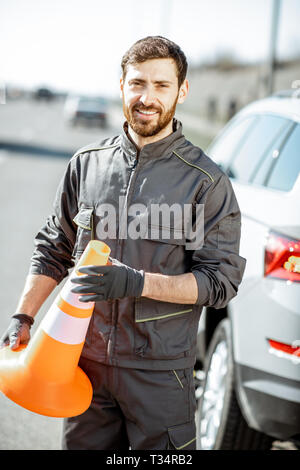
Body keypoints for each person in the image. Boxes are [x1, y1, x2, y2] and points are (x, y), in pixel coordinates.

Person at [0, 36, 246, 450]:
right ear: (121, 86)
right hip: (84, 368)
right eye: (137, 83)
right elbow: (54, 247)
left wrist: (136, 282)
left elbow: (219, 283)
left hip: (160, 376)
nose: (147, 97)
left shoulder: (206, 182)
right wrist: (23, 316)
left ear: (181, 91)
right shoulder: (86, 163)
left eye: (161, 85)